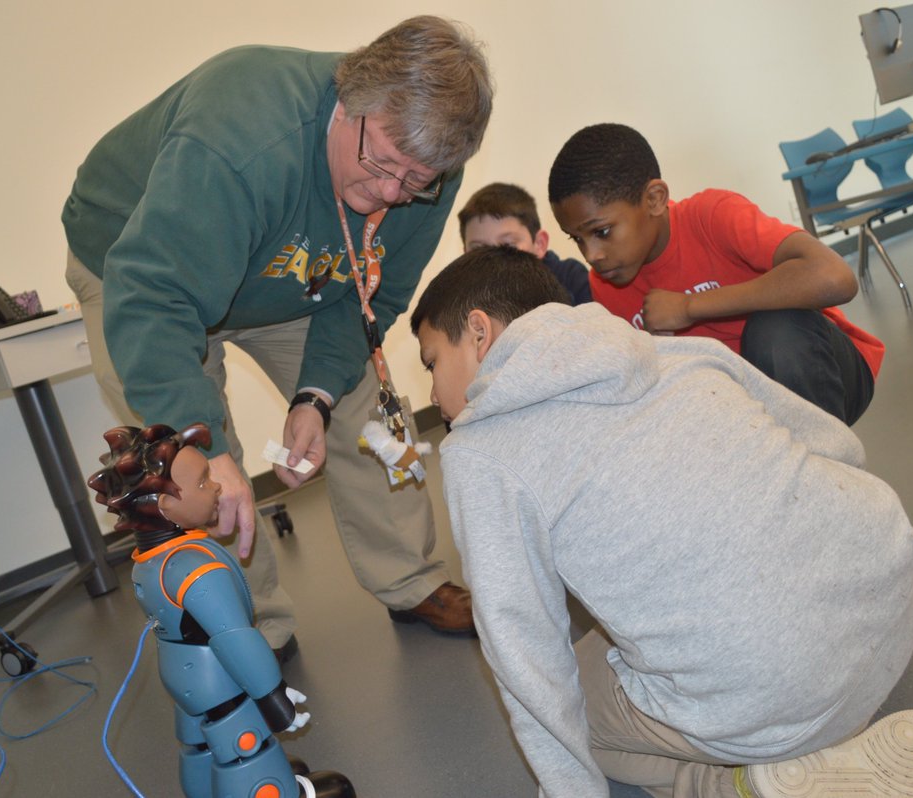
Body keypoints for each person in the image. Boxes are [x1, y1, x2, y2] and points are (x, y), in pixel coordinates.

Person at [408, 246, 913, 798]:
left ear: (480, 333)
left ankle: (733, 783)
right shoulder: (672, 352)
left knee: (575, 698)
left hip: (779, 702)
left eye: (433, 362)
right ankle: (818, 730)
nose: (434, 393)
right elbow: (837, 448)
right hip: (889, 617)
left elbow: (524, 653)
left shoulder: (479, 452)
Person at [62, 16, 493, 649]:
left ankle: (412, 577)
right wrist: (206, 453)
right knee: (187, 464)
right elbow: (155, 296)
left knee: (365, 408)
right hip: (140, 266)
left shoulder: (425, 169)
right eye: (382, 165)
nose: (388, 195)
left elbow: (377, 296)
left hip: (285, 270)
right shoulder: (241, 138)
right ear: (348, 105)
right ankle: (250, 621)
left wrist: (315, 394)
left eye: (415, 184)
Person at [548, 123, 884, 425]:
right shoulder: (606, 284)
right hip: (737, 411)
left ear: (654, 199)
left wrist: (690, 306)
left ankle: (829, 481)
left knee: (774, 329)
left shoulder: (712, 216)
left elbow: (834, 277)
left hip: (824, 373)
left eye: (602, 232)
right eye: (577, 239)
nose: (592, 255)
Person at [88, 423, 353, 798]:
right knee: (244, 746)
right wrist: (273, 696)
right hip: (218, 680)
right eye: (202, 482)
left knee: (198, 745)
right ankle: (272, 787)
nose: (216, 487)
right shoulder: (198, 571)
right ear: (164, 505)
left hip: (182, 676)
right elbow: (235, 639)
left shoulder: (146, 563)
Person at [456, 182, 591, 304]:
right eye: (479, 249)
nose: (493, 259)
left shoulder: (569, 278)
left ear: (539, 244)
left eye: (508, 245)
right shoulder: (458, 296)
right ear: (465, 254)